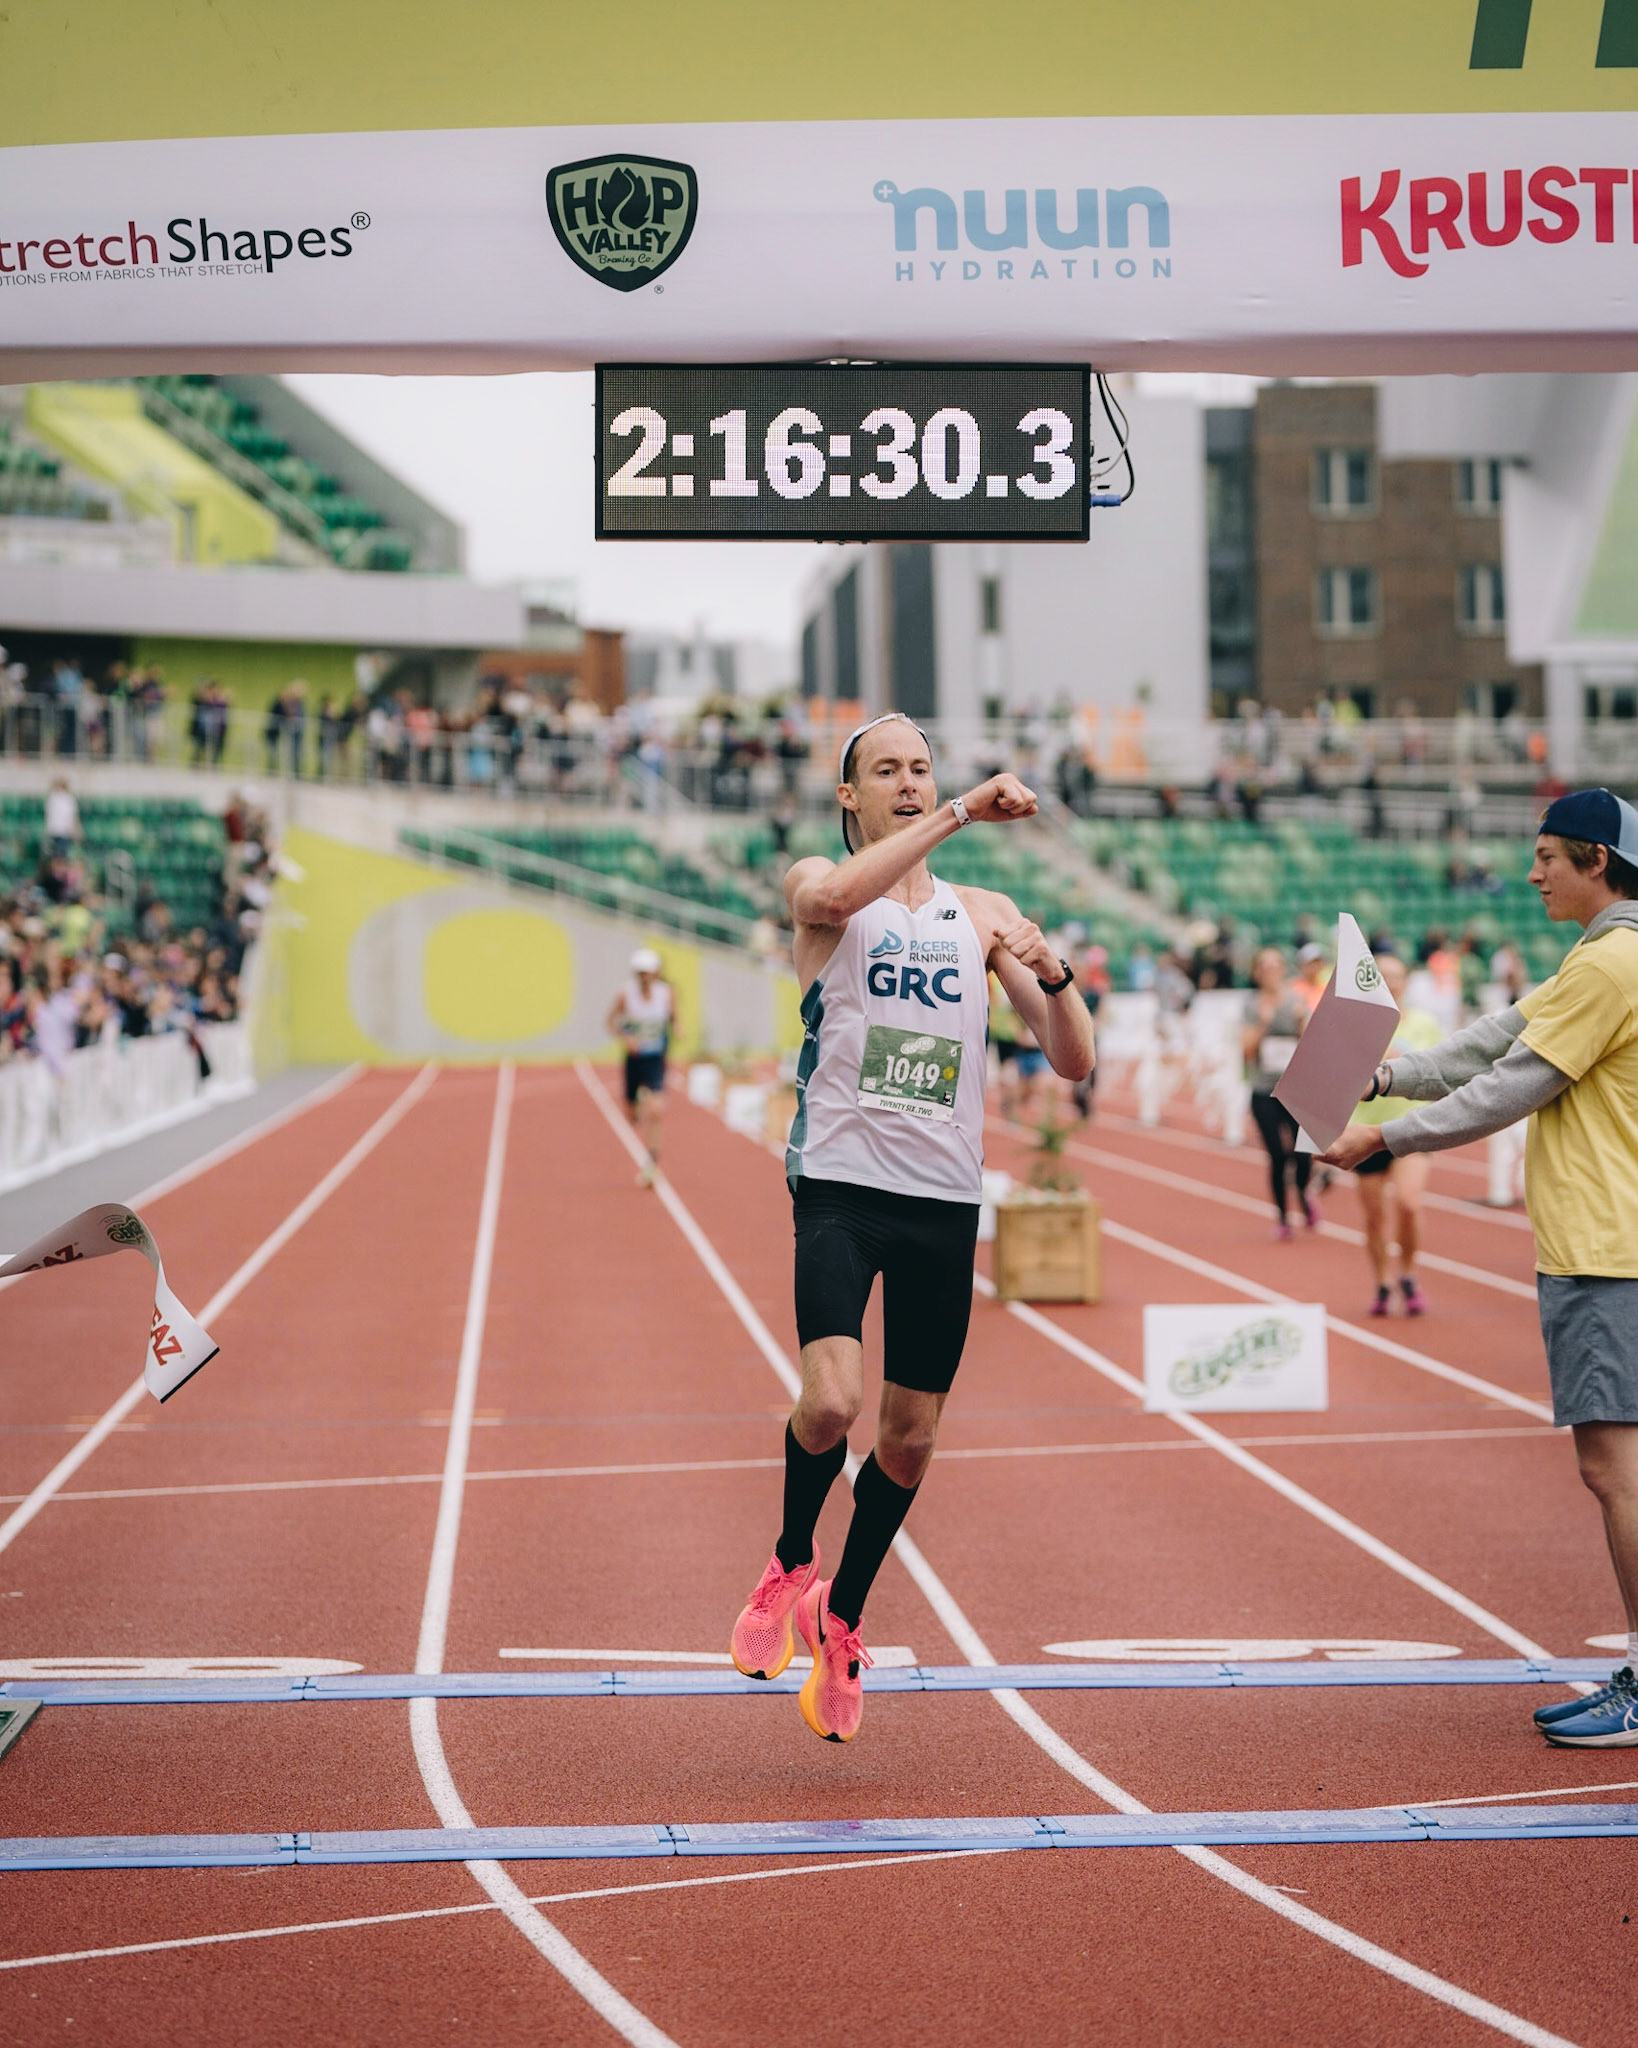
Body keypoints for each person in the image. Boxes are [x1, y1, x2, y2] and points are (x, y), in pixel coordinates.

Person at [728, 713, 1095, 1742]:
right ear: (849, 796)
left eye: (921, 768)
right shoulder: (821, 885)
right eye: (885, 770)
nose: (907, 781)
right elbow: (832, 898)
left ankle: (840, 1614)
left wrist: (1052, 971)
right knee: (832, 1400)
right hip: (841, 1186)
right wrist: (966, 808)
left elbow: (1073, 1060)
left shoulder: (984, 913)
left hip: (943, 1200)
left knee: (911, 1435)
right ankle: (790, 1557)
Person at [1321, 790, 1638, 1748]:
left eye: (1547, 857)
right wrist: (1382, 1075)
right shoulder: (1604, 957)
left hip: (1607, 1247)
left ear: (1595, 860)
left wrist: (1385, 1137)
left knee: (1615, 1470)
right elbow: (1495, 1038)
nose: (1531, 874)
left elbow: (1514, 1085)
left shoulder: (1611, 963)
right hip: (1611, 1240)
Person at [1346, 952, 1442, 1316]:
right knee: (1374, 1216)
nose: (1391, 983)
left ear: (1406, 981)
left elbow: (1441, 1070)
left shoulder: (1425, 1024)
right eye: (1382, 977)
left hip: (1411, 1126)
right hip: (1366, 1128)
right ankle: (1383, 1282)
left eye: (1397, 976)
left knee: (1408, 1203)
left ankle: (1409, 1273)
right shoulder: (1355, 1026)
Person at [1242, 945, 1319, 1240]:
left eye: (1275, 965)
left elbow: (1313, 1045)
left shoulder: (1297, 1002)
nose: (1271, 971)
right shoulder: (1251, 1006)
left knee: (1303, 1154)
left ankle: (1303, 1195)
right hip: (1265, 1091)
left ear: (1284, 970)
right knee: (1277, 1155)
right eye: (1265, 966)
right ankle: (1283, 1218)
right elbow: (1246, 1051)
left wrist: (1300, 1024)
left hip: (1296, 1090)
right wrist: (1263, 1022)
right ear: (1256, 973)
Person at [605, 946, 675, 1187]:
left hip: (655, 1059)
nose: (645, 977)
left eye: (648, 972)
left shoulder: (666, 993)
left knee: (656, 1110)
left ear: (655, 973)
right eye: (641, 972)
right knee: (631, 1115)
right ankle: (636, 1107)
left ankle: (652, 1162)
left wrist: (678, 1028)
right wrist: (626, 1039)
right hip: (634, 1060)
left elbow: (674, 1018)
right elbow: (610, 1021)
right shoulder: (625, 994)